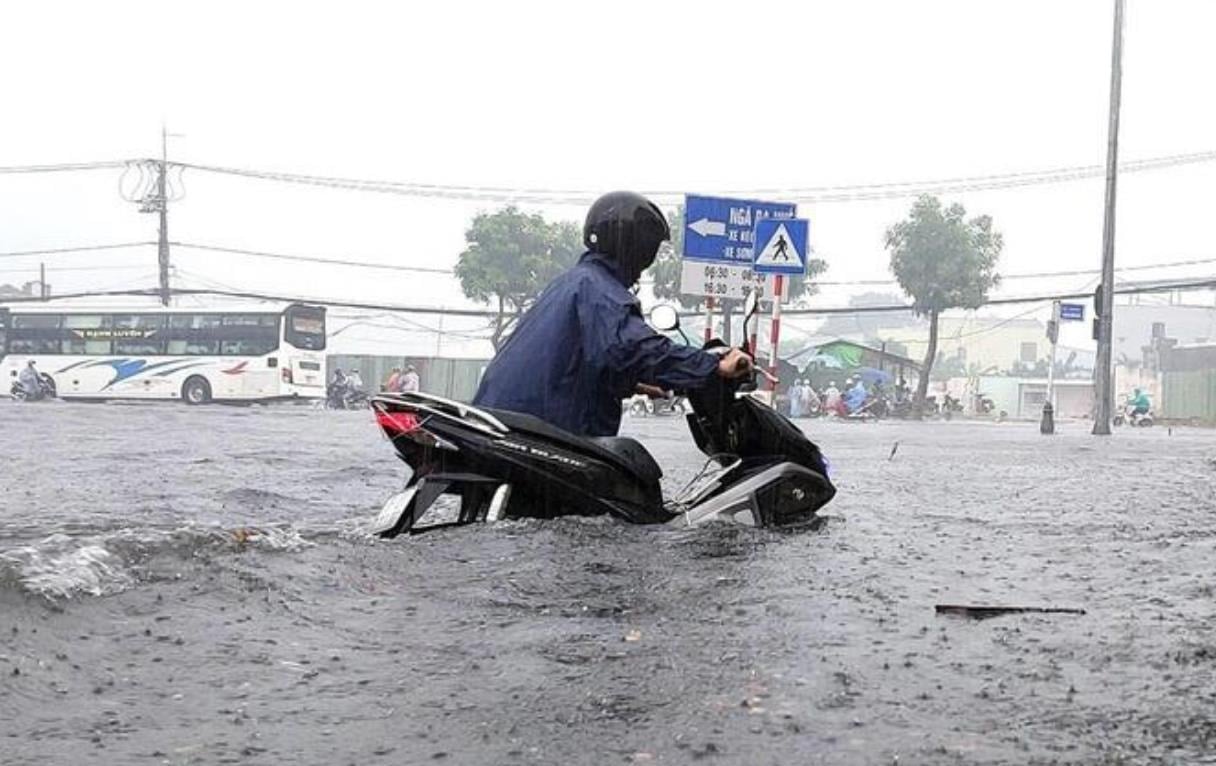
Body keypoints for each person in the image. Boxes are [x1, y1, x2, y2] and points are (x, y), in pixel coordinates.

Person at [473, 191, 753, 437]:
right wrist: (712, 365)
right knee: (633, 475)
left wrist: (636, 384)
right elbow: (632, 348)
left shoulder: (573, 282)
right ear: (636, 245)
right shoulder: (601, 291)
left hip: (504, 421)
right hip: (543, 430)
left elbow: (584, 360)